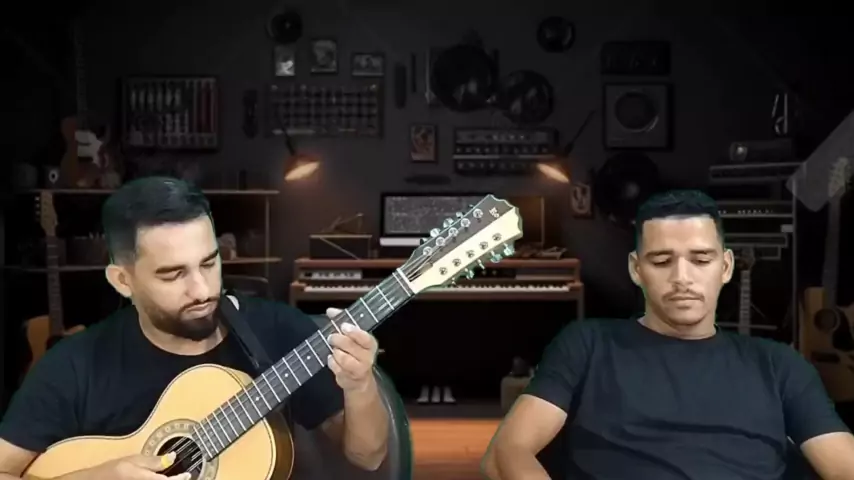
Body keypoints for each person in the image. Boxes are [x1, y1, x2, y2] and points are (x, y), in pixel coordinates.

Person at [0, 177, 389, 479]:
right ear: (122, 280)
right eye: (173, 275)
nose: (202, 290)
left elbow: (369, 457)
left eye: (209, 263)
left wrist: (360, 385)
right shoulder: (72, 366)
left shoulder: (278, 330)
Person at [482, 189, 854, 479]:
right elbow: (506, 453)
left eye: (700, 259)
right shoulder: (587, 345)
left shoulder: (780, 365)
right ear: (636, 269)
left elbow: (843, 465)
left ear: (725, 267)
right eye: (662, 261)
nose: (682, 278)